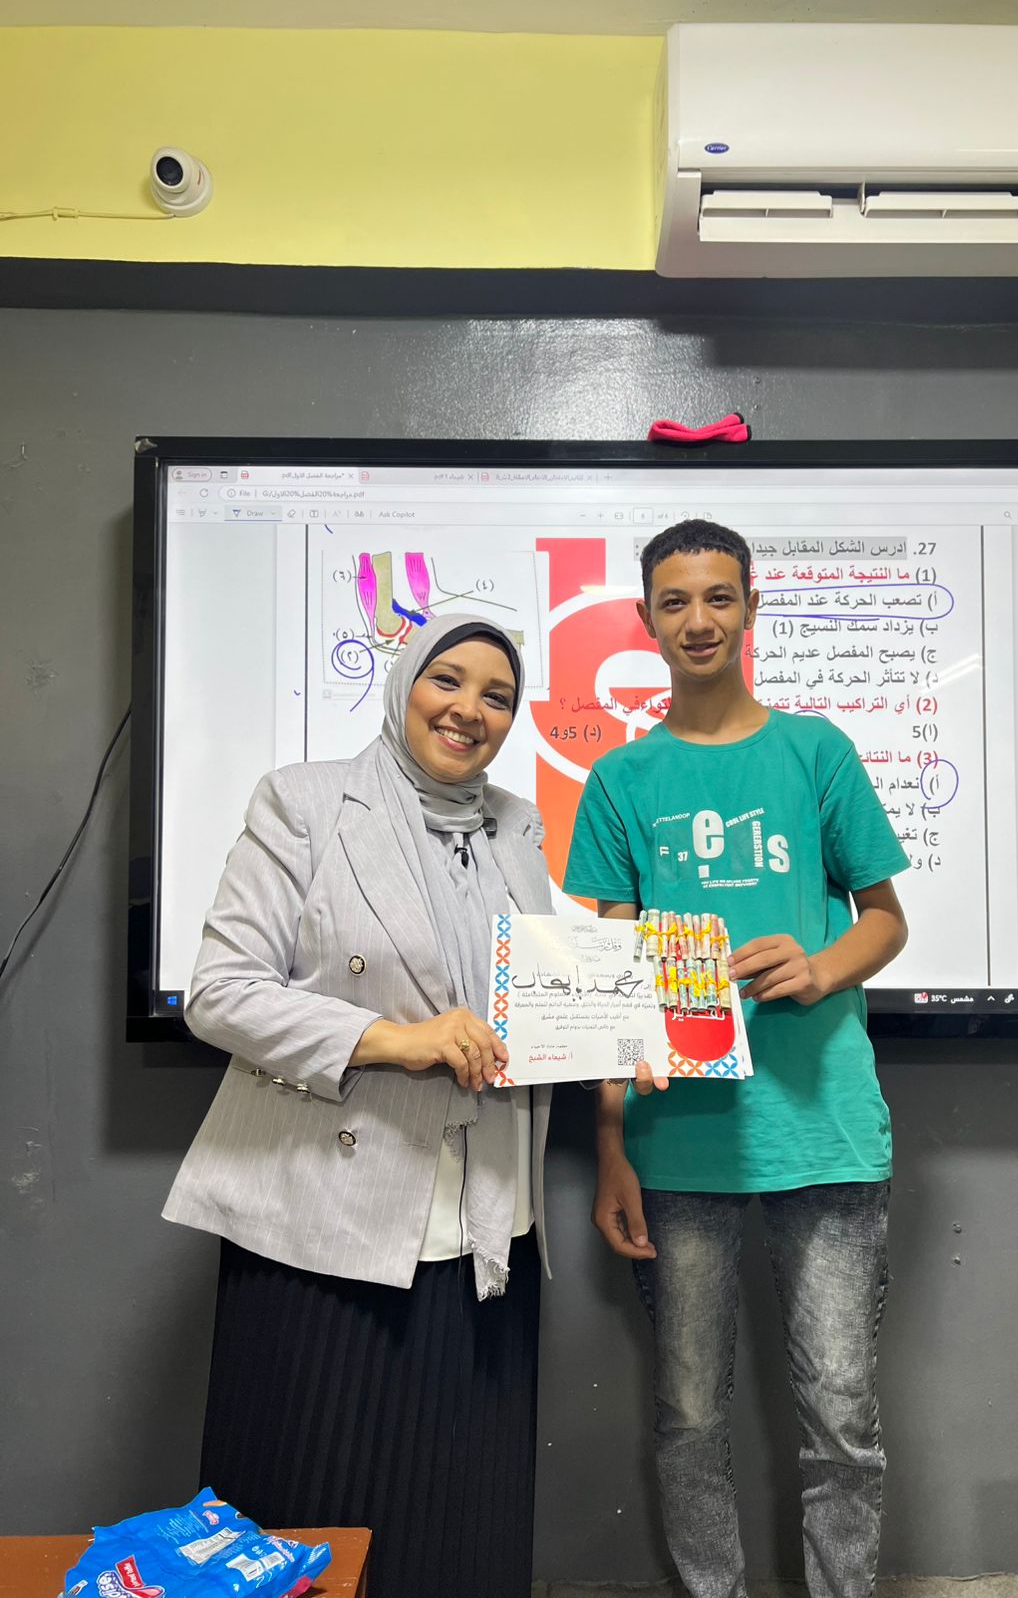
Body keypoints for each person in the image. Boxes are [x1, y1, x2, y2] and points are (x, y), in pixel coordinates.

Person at [164, 614, 551, 1598]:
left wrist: (621, 1034)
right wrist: (392, 1039)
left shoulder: (517, 825)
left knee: (463, 1521)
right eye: (448, 681)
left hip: (488, 1226)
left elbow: (533, 995)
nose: (470, 709)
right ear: (404, 684)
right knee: (309, 1515)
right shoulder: (304, 802)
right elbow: (221, 993)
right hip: (326, 1227)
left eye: (497, 695)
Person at [563, 521, 910, 1598]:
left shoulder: (818, 751)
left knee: (843, 1415)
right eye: (676, 601)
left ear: (752, 609)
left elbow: (886, 922)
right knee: (690, 1416)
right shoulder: (621, 781)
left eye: (720, 597)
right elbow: (606, 975)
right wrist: (612, 1139)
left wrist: (819, 966)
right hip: (681, 1144)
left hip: (825, 1127)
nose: (699, 619)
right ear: (648, 619)